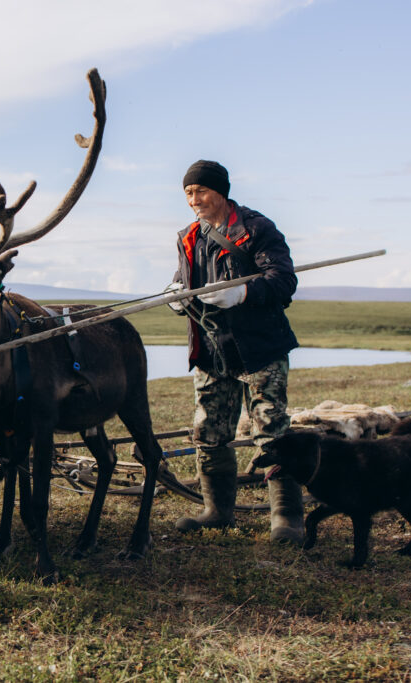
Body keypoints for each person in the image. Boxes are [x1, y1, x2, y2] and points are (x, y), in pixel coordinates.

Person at [167, 160, 304, 544]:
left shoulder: (257, 229)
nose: (194, 200)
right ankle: (217, 512)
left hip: (259, 348)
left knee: (271, 430)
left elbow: (283, 282)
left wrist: (242, 292)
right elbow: (184, 280)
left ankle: (288, 517)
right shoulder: (189, 236)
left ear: (221, 191)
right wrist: (174, 295)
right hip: (212, 352)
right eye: (188, 193)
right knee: (208, 431)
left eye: (201, 191)